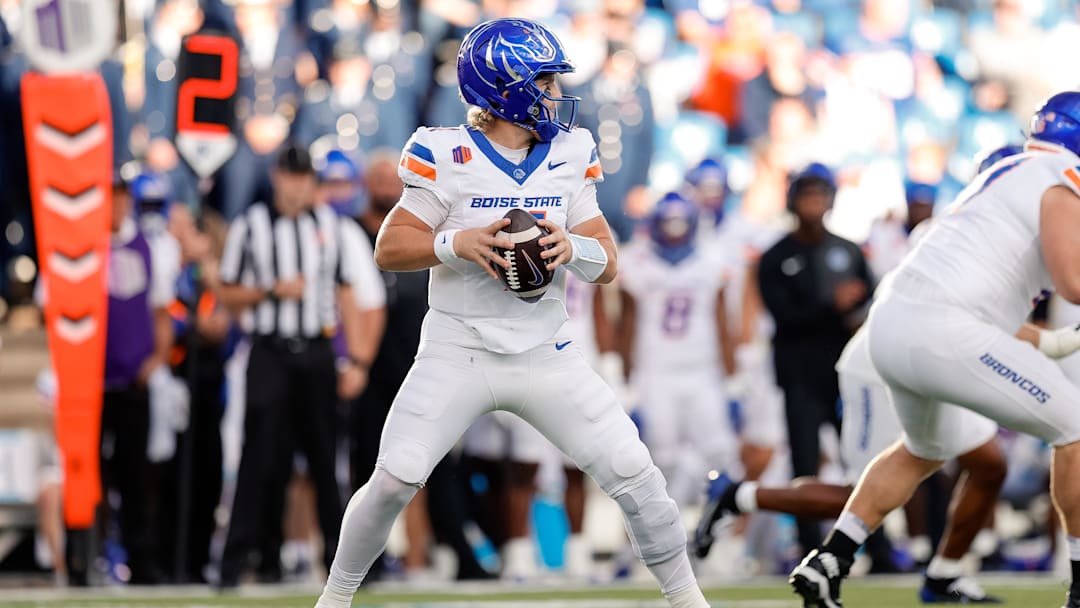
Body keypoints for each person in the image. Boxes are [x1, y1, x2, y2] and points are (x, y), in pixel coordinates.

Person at [315, 18, 711, 608]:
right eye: (545, 81)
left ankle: (688, 601)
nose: (556, 93)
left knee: (634, 472)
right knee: (396, 476)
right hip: (458, 347)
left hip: (546, 349)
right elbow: (389, 247)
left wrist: (569, 246)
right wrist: (459, 243)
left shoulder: (570, 151)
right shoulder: (443, 151)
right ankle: (335, 600)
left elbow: (606, 263)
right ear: (506, 86)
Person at [789, 92, 1080, 608]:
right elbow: (1074, 282)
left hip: (893, 327)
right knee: (1075, 426)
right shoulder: (1058, 177)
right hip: (947, 330)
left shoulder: (1008, 173)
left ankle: (830, 559)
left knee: (923, 451)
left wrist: (1057, 341)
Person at [216, 144, 367, 587]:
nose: (298, 185)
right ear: (278, 177)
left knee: (325, 459)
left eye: (305, 177)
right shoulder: (250, 226)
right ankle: (237, 563)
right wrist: (270, 291)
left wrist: (355, 358)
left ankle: (345, 569)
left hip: (318, 354)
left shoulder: (330, 226)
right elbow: (227, 292)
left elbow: (346, 293)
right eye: (291, 175)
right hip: (269, 351)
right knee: (259, 456)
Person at [757, 163, 874, 553]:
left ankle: (878, 547)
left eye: (819, 195)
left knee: (864, 461)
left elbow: (869, 302)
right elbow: (785, 316)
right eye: (806, 195)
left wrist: (852, 311)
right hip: (800, 374)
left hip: (845, 374)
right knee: (804, 463)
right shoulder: (776, 256)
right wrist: (833, 306)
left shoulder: (848, 249)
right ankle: (809, 547)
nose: (813, 203)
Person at [618, 192, 738, 507]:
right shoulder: (638, 260)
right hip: (656, 373)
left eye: (680, 223)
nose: (674, 230)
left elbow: (723, 322)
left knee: (719, 452)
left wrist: (734, 381)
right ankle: (650, 539)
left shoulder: (711, 260)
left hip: (703, 371)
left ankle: (710, 533)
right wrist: (625, 381)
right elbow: (626, 326)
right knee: (661, 457)